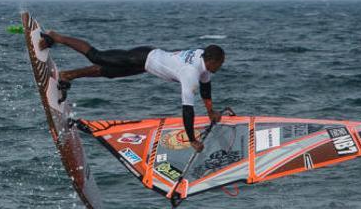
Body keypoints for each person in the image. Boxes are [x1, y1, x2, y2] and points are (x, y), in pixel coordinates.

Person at [40, 30, 224, 153]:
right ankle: (56, 37)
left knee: (109, 73)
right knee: (98, 56)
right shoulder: (190, 73)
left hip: (147, 63)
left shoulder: (202, 57)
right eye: (220, 63)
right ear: (212, 61)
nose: (221, 67)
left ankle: (68, 75)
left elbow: (206, 87)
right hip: (143, 57)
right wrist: (192, 139)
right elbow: (187, 110)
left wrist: (210, 112)